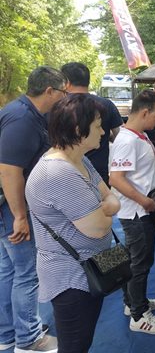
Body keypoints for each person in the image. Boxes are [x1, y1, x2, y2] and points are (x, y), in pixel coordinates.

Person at [25, 94, 120, 353]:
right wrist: (105, 208)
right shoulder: (59, 172)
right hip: (72, 277)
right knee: (75, 346)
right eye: (98, 125)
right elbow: (99, 226)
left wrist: (105, 207)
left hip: (92, 265)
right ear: (79, 130)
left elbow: (111, 197)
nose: (103, 131)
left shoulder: (78, 159)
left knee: (83, 340)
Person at [0, 66, 65, 353]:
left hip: (7, 207)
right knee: (26, 273)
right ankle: (28, 338)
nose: (64, 98)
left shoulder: (26, 113)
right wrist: (20, 217)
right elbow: (10, 172)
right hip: (9, 208)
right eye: (62, 92)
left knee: (8, 271)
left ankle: (8, 333)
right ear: (49, 91)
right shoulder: (22, 119)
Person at [109, 90, 155, 335]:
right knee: (139, 263)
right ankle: (139, 315)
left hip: (143, 209)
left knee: (137, 259)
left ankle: (133, 302)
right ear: (144, 112)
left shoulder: (139, 135)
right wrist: (145, 202)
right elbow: (116, 179)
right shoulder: (126, 140)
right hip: (137, 212)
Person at [61, 62, 123, 186]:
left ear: (66, 81)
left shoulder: (59, 107)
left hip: (65, 173)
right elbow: (121, 137)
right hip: (98, 174)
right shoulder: (107, 105)